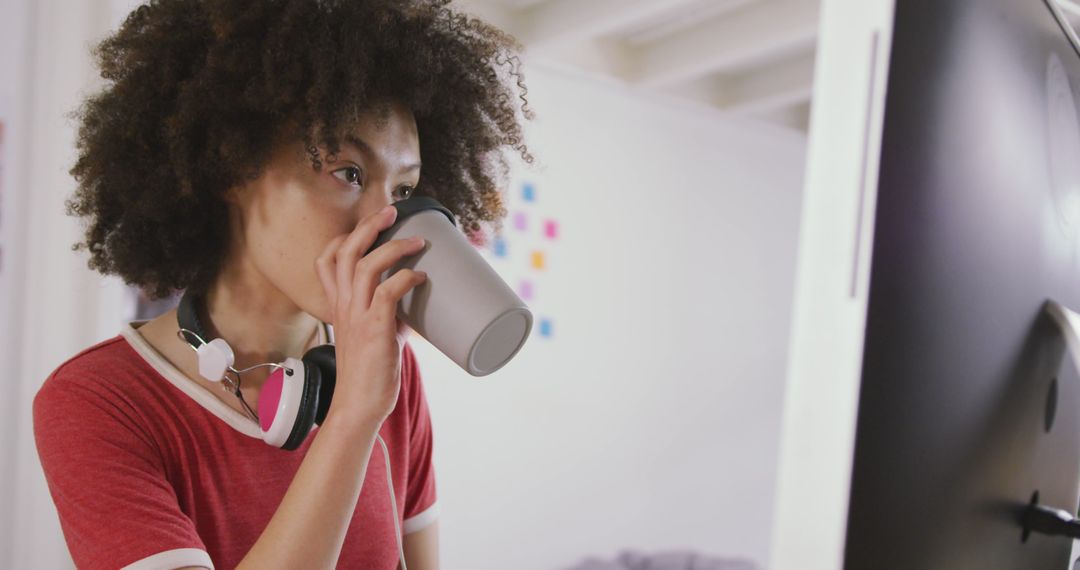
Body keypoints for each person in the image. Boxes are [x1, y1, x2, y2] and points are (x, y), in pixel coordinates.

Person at [30, 0, 534, 568]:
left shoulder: (387, 371)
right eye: (349, 173)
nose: (384, 222)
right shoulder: (98, 402)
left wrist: (367, 399)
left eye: (402, 191)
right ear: (230, 168)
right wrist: (350, 417)